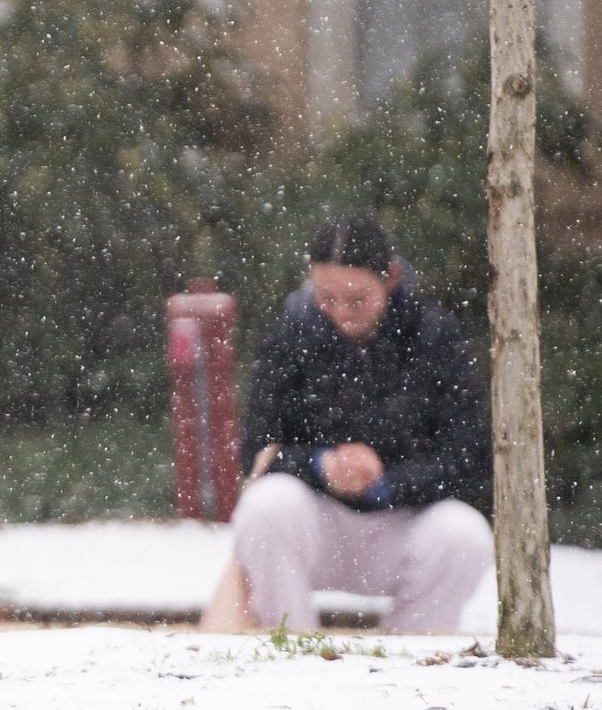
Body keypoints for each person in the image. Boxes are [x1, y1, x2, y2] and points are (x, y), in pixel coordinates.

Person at [205, 214, 493, 633]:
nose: (341, 312)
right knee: (265, 507)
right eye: (326, 296)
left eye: (357, 298)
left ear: (390, 278)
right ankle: (291, 647)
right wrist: (320, 465)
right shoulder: (292, 332)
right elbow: (257, 451)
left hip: (405, 522)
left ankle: (412, 657)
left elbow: (469, 456)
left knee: (466, 536)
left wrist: (388, 480)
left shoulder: (435, 337)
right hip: (314, 520)